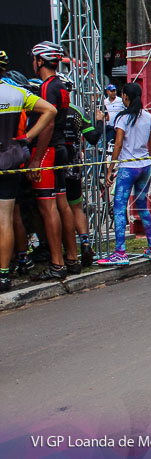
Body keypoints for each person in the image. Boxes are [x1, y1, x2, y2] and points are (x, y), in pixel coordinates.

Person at [0, 50, 56, 291]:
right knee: (5, 220)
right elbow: (50, 111)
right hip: (10, 161)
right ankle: (3, 275)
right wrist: (26, 137)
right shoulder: (16, 92)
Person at [27, 41, 78, 280]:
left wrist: (36, 158)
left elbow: (48, 122)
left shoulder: (48, 86)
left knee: (48, 208)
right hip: (61, 149)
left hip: (48, 150)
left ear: (40, 61)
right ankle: (72, 258)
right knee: (62, 204)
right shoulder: (62, 85)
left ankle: (57, 264)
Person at [98, 83, 151, 266]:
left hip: (127, 168)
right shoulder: (148, 116)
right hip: (145, 166)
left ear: (125, 97)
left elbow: (117, 145)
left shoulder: (122, 118)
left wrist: (110, 169)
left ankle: (120, 252)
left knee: (119, 207)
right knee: (143, 206)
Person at [60, 73, 102, 268]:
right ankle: (85, 242)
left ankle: (68, 253)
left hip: (55, 165)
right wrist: (100, 121)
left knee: (59, 208)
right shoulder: (76, 111)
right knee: (76, 207)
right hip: (74, 165)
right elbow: (93, 138)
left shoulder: (48, 108)